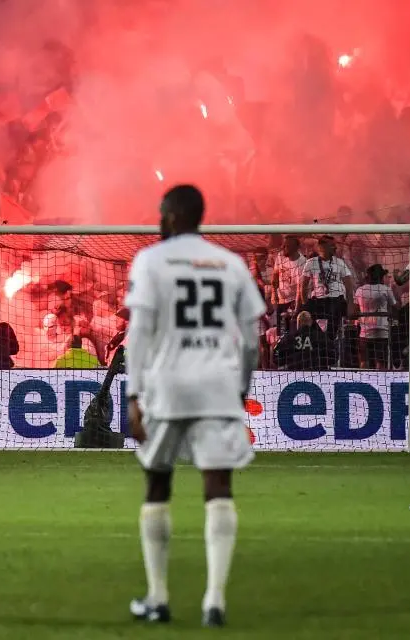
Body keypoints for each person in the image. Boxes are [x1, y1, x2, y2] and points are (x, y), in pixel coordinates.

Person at [124, 184, 263, 628]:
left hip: (166, 387)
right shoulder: (231, 263)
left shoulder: (150, 261)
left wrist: (132, 393)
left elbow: (139, 334)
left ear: (168, 217)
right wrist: (241, 386)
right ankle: (215, 600)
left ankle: (159, 597)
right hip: (218, 386)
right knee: (218, 486)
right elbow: (252, 339)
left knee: (158, 483)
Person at [298, 235, 355, 343]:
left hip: (335, 298)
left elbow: (348, 285)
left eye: (335, 245)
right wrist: (305, 304)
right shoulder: (311, 262)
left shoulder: (339, 262)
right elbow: (303, 286)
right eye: (332, 246)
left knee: (335, 310)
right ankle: (318, 338)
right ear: (322, 247)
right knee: (305, 312)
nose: (335, 248)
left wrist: (350, 305)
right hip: (318, 299)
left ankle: (330, 339)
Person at [354, 265, 396, 370]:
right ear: (380, 277)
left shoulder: (360, 290)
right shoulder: (385, 289)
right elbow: (395, 306)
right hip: (382, 330)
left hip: (365, 330)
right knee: (380, 362)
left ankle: (363, 381)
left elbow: (355, 309)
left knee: (363, 361)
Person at [270, 235, 305, 335]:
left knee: (293, 332)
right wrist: (274, 294)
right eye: (283, 245)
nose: (283, 248)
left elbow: (300, 289)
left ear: (295, 248)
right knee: (281, 332)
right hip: (281, 300)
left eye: (286, 246)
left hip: (294, 300)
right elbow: (275, 275)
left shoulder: (302, 263)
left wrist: (297, 309)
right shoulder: (280, 256)